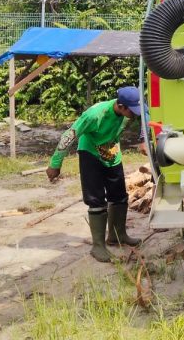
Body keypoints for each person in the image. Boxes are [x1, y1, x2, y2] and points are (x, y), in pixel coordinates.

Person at [46, 86, 144, 262]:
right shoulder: (94, 115)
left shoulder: (128, 108)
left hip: (111, 152)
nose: (135, 115)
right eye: (132, 111)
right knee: (96, 199)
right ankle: (98, 246)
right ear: (121, 106)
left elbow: (146, 114)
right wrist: (55, 164)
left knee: (119, 195)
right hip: (90, 153)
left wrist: (144, 138)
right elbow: (69, 135)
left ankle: (117, 235)